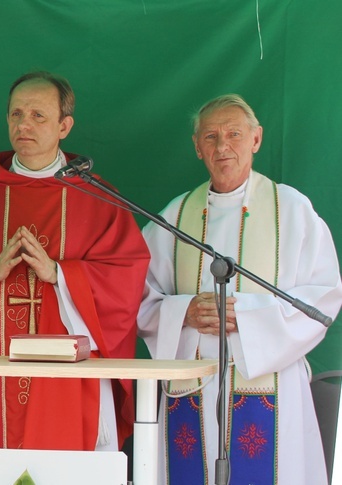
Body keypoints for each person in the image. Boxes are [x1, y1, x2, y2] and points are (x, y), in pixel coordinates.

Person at [0, 71, 150, 452]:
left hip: (68, 385)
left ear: (64, 126)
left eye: (38, 115)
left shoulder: (99, 198)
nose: (24, 124)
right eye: (16, 114)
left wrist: (59, 274)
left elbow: (126, 280)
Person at [137, 93, 342, 484]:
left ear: (256, 140)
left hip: (270, 382)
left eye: (234, 133)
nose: (223, 145)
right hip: (193, 386)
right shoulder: (174, 217)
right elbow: (139, 298)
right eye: (210, 137)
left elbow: (324, 297)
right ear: (197, 148)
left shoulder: (292, 210)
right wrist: (184, 312)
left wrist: (247, 317)